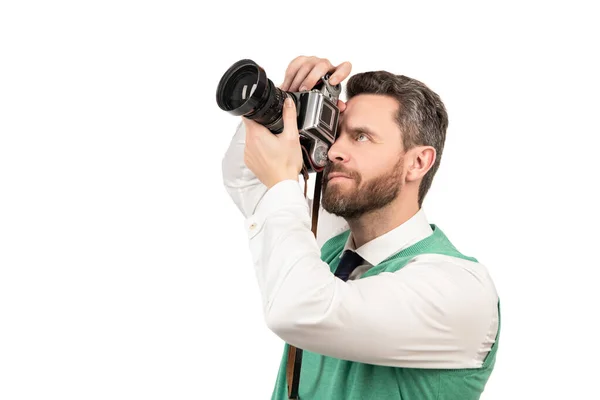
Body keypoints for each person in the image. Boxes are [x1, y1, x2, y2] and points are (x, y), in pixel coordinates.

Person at [221, 55, 500, 400]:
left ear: (417, 162)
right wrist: (284, 105)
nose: (335, 150)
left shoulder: (459, 289)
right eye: (336, 132)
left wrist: (283, 182)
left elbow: (299, 309)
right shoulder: (334, 246)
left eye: (362, 137)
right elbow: (246, 180)